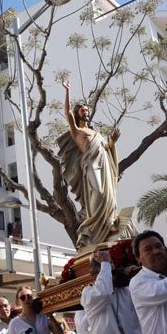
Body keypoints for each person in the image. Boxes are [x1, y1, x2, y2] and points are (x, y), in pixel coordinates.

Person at [57, 79, 119, 248]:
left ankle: (109, 222)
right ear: (78, 113)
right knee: (97, 191)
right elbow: (67, 113)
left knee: (108, 194)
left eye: (87, 110)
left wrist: (112, 143)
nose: (86, 112)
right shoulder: (77, 131)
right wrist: (67, 90)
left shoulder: (95, 132)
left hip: (103, 163)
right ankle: (93, 225)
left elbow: (106, 148)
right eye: (83, 110)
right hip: (90, 164)